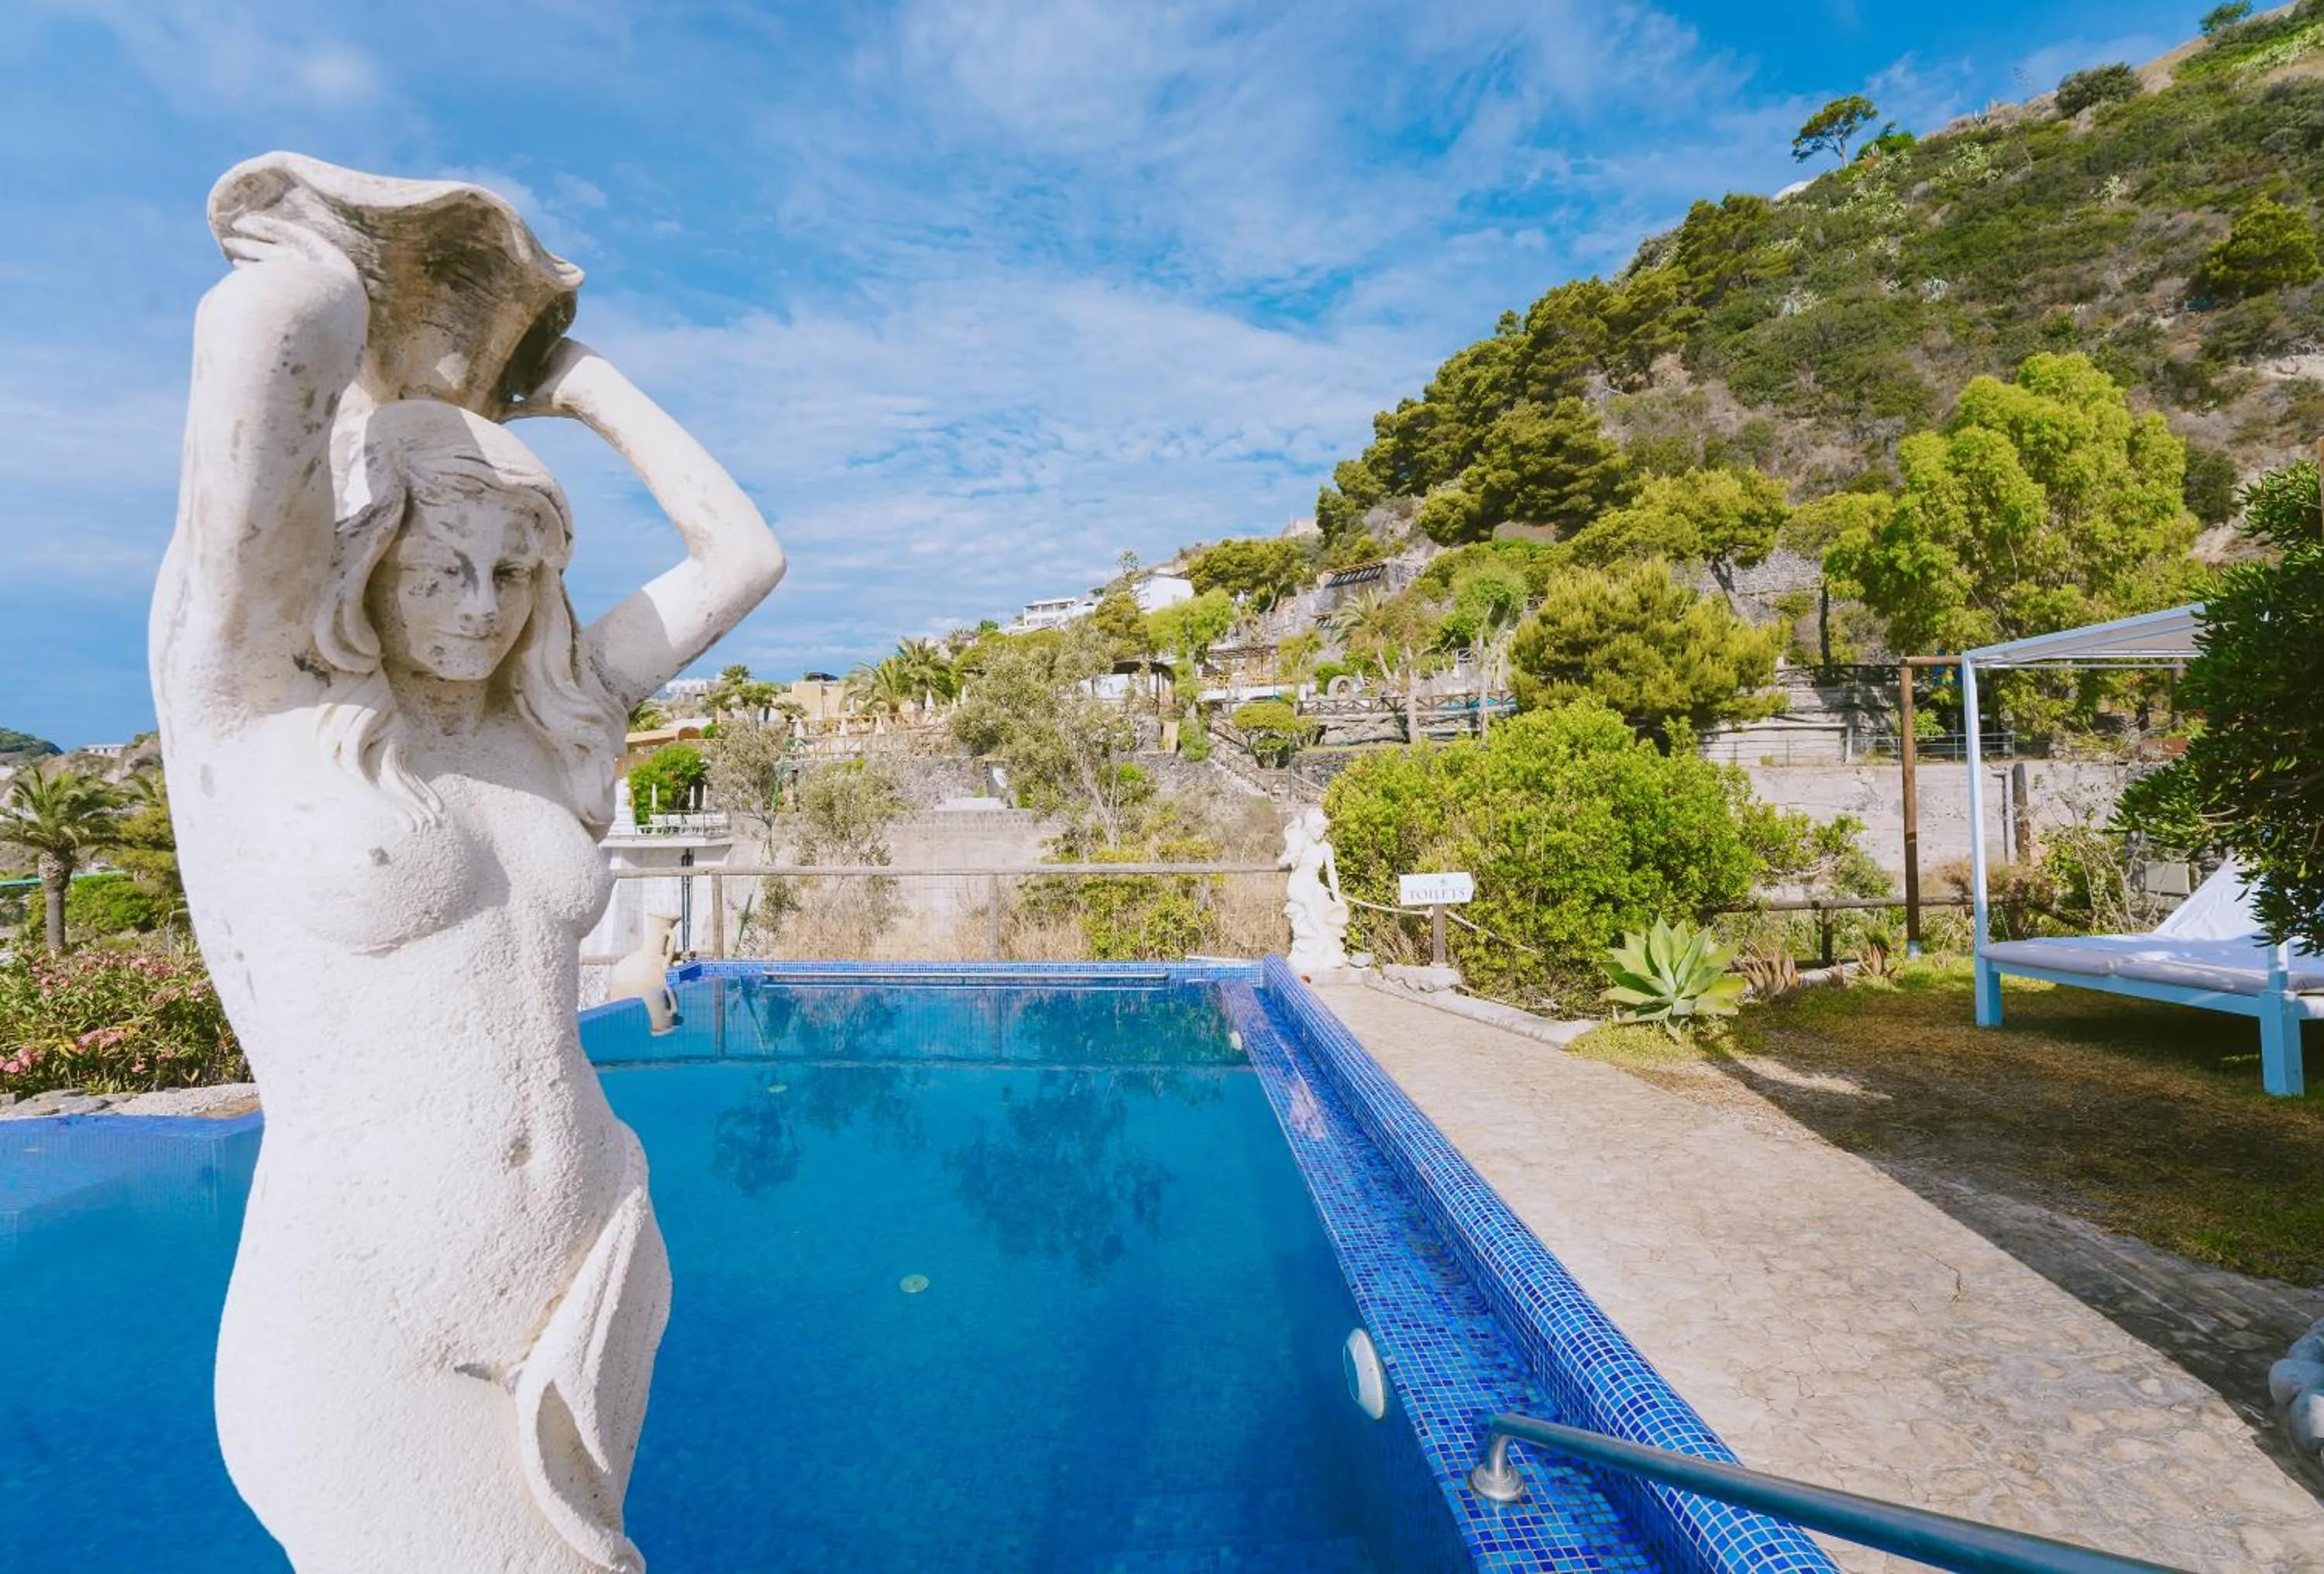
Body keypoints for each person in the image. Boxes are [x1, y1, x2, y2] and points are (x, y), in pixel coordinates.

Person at [151, 153, 785, 1573]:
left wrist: (576, 382)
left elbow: (741, 556)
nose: (483, 606)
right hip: (370, 1309)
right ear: (367, 557)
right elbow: (259, 352)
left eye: (516, 572)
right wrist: (340, 276)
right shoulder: (260, 710)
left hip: (588, 1263)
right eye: (442, 567)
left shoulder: (549, 727)